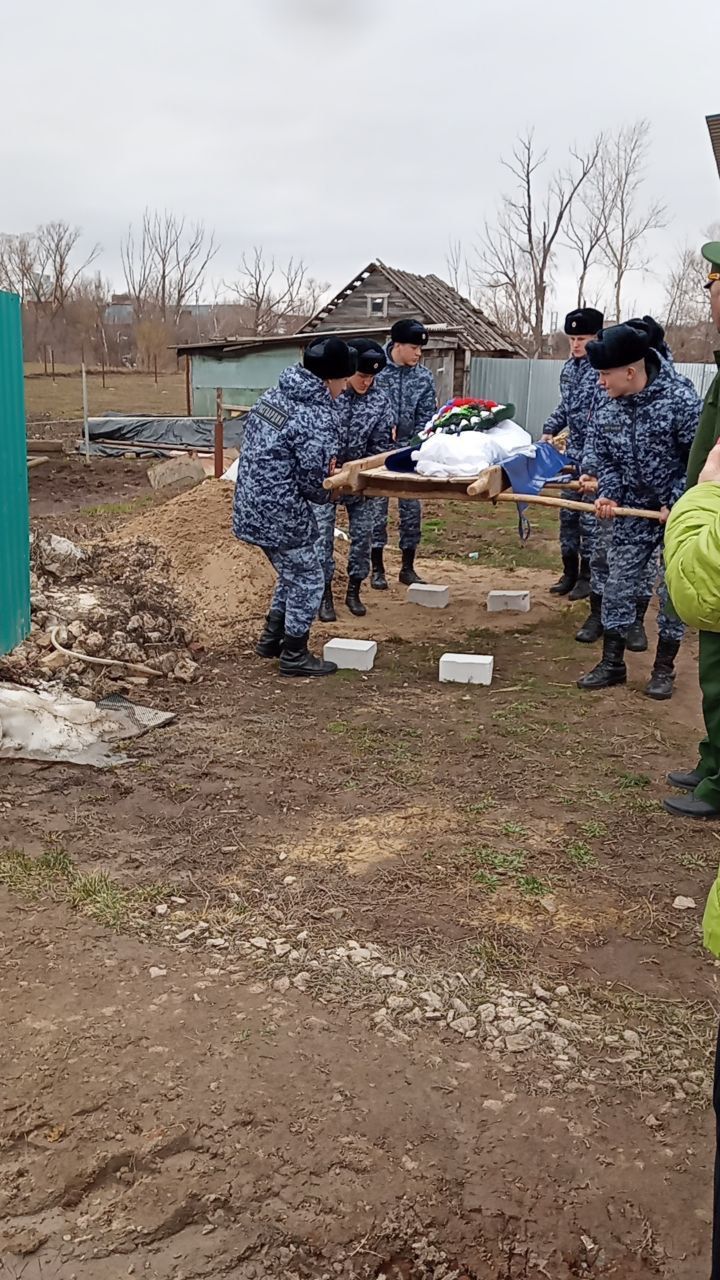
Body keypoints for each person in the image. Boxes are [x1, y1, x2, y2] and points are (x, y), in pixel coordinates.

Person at [576, 321, 701, 698]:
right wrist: (610, 494)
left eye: (605, 374)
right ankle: (612, 664)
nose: (599, 382)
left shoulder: (680, 400)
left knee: (673, 591)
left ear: (631, 372)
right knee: (617, 584)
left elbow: (699, 461)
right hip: (633, 511)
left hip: (677, 514)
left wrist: (676, 502)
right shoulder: (609, 406)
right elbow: (607, 458)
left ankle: (664, 669)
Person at [232, 337, 356, 678]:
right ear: (329, 378)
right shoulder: (315, 414)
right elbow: (315, 480)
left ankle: (272, 640)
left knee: (293, 571)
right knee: (308, 577)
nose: (345, 389)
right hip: (281, 511)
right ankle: (295, 654)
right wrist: (337, 490)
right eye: (344, 380)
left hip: (252, 504)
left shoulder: (276, 396)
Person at [663, 242, 720, 819]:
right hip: (705, 524)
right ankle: (714, 758)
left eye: (713, 288)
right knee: (713, 667)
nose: (708, 299)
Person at [314, 338, 393, 621]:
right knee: (321, 538)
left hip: (360, 483)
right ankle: (324, 596)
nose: (366, 383)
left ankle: (354, 589)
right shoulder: (329, 395)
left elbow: (381, 444)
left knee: (363, 536)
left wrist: (365, 477)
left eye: (372, 377)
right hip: (327, 481)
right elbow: (317, 440)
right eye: (361, 376)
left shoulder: (380, 401)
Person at [541, 307, 604, 601]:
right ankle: (568, 571)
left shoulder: (604, 370)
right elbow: (566, 406)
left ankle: (587, 576)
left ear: (596, 338)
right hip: (572, 454)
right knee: (568, 515)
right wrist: (550, 428)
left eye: (582, 338)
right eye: (572, 339)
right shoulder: (570, 369)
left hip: (598, 457)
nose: (576, 345)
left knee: (589, 519)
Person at [370, 318, 437, 589]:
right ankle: (377, 568)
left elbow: (427, 417)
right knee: (376, 509)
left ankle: (408, 567)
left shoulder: (423, 377)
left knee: (411, 508)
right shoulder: (375, 370)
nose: (419, 353)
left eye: (421, 349)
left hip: (410, 450)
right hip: (377, 451)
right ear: (396, 345)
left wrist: (416, 443)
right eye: (414, 347)